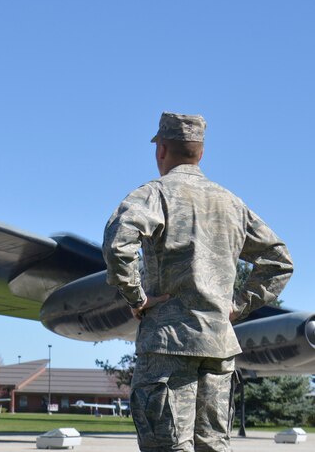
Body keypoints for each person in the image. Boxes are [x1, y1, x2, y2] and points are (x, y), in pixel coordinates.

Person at [103, 112, 293, 452]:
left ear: (161, 150)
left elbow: (118, 244)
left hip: (168, 344)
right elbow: (279, 261)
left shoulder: (155, 195)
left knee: (168, 446)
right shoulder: (231, 204)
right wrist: (236, 307)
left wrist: (136, 298)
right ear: (201, 153)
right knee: (214, 446)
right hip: (219, 347)